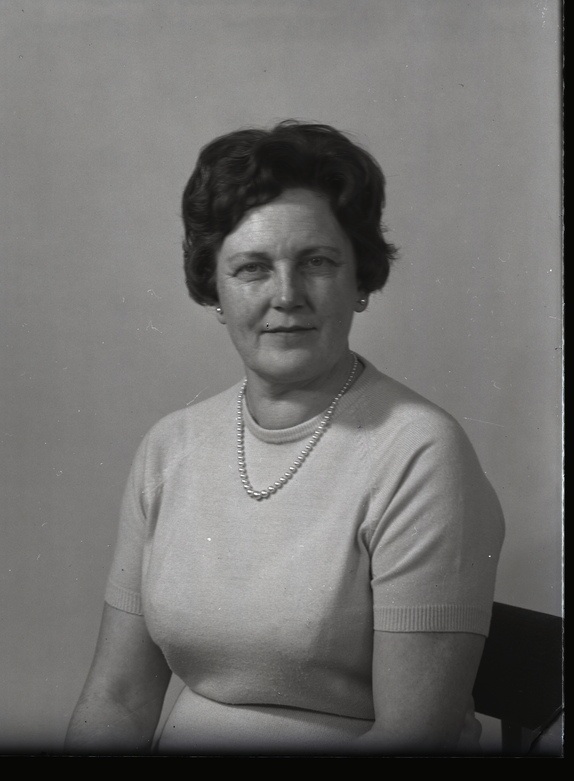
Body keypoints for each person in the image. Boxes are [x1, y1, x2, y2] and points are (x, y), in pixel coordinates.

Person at [66, 121, 504, 754]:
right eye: (252, 268)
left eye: (317, 262)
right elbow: (118, 697)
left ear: (360, 280)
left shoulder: (420, 452)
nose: (287, 296)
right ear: (215, 290)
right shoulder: (170, 446)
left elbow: (415, 734)